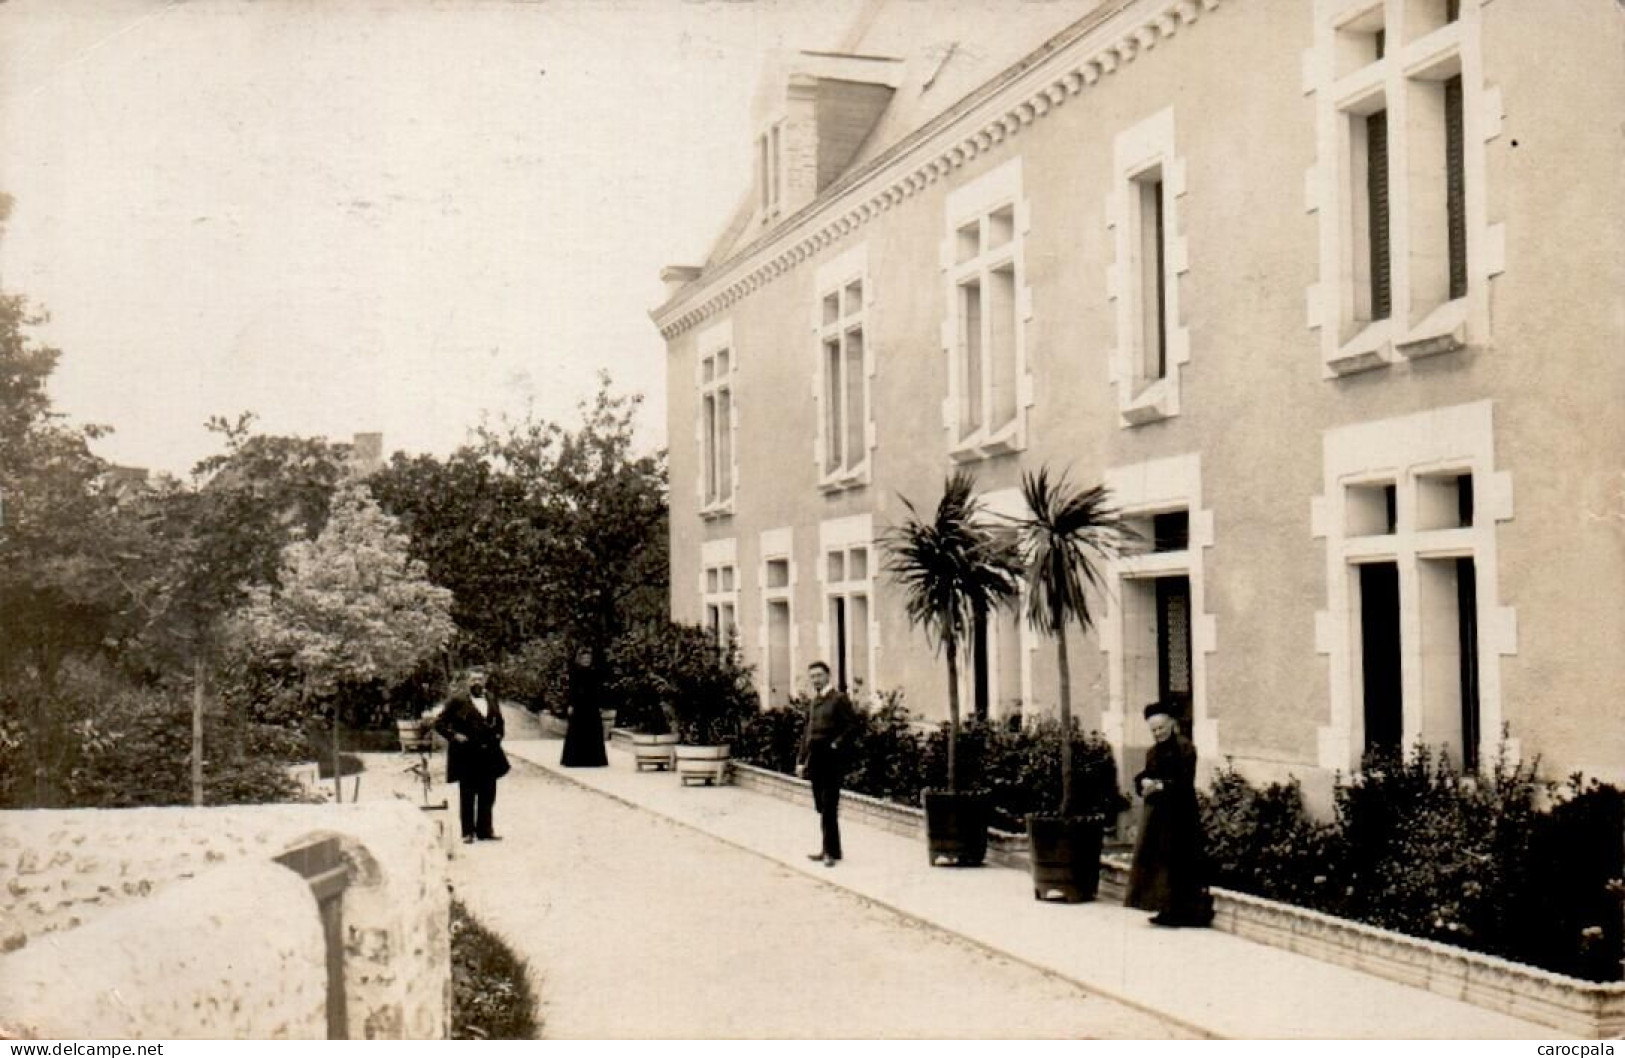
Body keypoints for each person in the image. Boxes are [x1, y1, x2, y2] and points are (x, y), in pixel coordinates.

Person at [1126, 701, 1214, 927]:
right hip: (1157, 816)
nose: (1157, 733)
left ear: (1172, 724)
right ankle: (1164, 908)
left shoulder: (1185, 749)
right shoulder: (1153, 752)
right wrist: (1143, 781)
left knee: (1180, 861)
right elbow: (1146, 774)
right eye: (1153, 730)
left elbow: (1184, 783)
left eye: (1161, 728)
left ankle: (1185, 912)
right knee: (1159, 862)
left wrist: (1160, 786)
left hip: (1180, 814)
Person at [434, 667, 509, 845]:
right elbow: (439, 723)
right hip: (466, 754)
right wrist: (454, 736)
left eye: (480, 679)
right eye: (473, 679)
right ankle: (467, 832)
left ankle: (485, 830)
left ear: (485, 680)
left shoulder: (491, 698)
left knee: (488, 793)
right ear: (467, 681)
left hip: (489, 754)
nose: (477, 682)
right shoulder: (458, 700)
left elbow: (499, 721)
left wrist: (498, 735)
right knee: (467, 794)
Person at [795, 660, 859, 867]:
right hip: (816, 759)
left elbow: (852, 727)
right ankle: (833, 849)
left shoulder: (839, 699)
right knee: (821, 805)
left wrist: (836, 744)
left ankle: (829, 852)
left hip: (832, 759)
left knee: (829, 805)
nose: (815, 680)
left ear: (828, 676)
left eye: (819, 676)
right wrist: (801, 760)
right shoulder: (814, 702)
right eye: (812, 676)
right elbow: (807, 733)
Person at [560, 645, 608, 768]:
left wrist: (600, 705)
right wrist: (571, 704)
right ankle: (575, 760)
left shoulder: (594, 672)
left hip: (592, 705)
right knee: (577, 731)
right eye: (584, 658)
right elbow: (572, 690)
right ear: (580, 659)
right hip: (579, 705)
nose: (587, 661)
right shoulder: (575, 672)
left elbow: (598, 690)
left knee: (593, 732)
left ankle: (593, 760)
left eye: (589, 658)